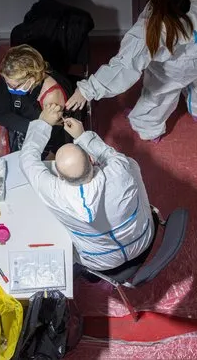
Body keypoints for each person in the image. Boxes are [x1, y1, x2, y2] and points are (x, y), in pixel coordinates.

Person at [65, 0, 197, 142]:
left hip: (177, 69)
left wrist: (88, 90)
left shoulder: (151, 27)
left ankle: (149, 129)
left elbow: (126, 64)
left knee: (158, 95)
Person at [19, 104, 154, 271]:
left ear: (59, 176)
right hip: (142, 239)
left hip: (102, 263)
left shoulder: (54, 193)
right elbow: (109, 155)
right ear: (91, 159)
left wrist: (43, 123)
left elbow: (27, 161)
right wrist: (82, 136)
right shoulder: (120, 169)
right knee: (133, 166)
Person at [0, 44, 74, 157]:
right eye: (7, 83)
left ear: (31, 80)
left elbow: (51, 133)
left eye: (14, 86)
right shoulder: (11, 74)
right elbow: (0, 115)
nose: (9, 88)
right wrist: (35, 125)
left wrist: (38, 126)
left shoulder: (52, 97)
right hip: (31, 124)